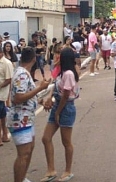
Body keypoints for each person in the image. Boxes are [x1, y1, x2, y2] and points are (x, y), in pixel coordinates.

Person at [8, 47, 51, 182]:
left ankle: (22, 178)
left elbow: (28, 94)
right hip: (19, 119)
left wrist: (41, 101)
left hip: (26, 119)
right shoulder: (22, 74)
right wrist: (40, 87)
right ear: (34, 59)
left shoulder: (24, 73)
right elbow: (18, 98)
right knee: (23, 154)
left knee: (29, 149)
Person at [41, 48, 80, 182]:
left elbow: (66, 94)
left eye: (58, 56)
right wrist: (49, 98)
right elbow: (55, 87)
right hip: (57, 104)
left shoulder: (69, 73)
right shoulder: (61, 71)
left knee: (66, 141)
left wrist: (57, 112)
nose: (56, 57)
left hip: (66, 107)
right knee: (46, 138)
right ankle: (51, 170)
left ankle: (68, 170)